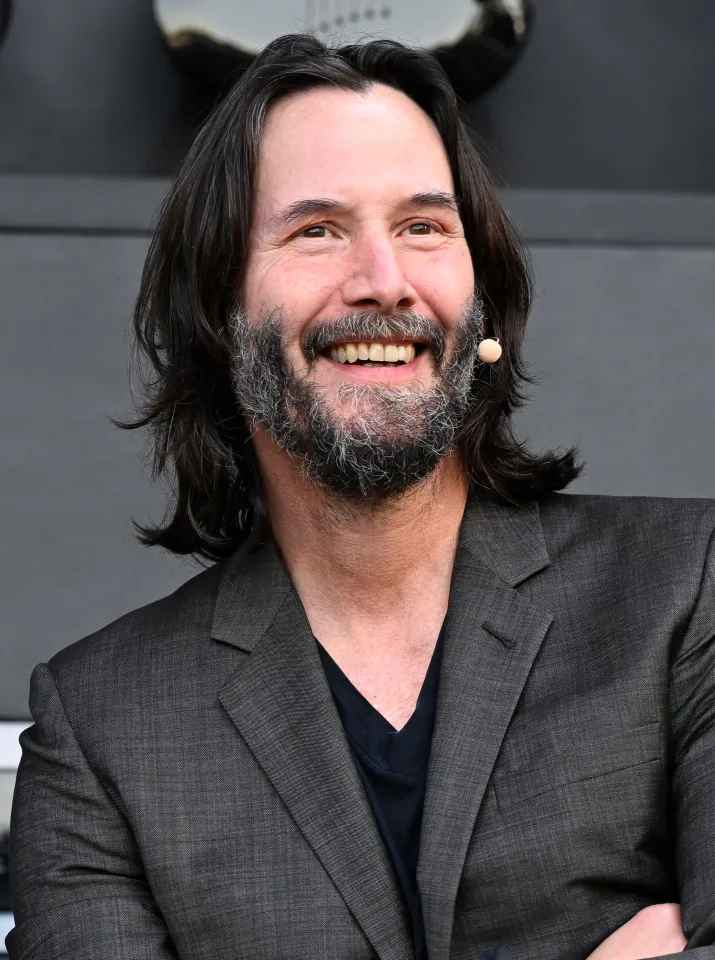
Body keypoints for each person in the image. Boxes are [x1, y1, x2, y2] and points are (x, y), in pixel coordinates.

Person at [7, 33, 712, 960]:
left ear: (481, 300)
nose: (383, 282)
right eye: (316, 230)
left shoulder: (685, 591)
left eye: (423, 226)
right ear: (221, 315)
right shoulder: (101, 727)